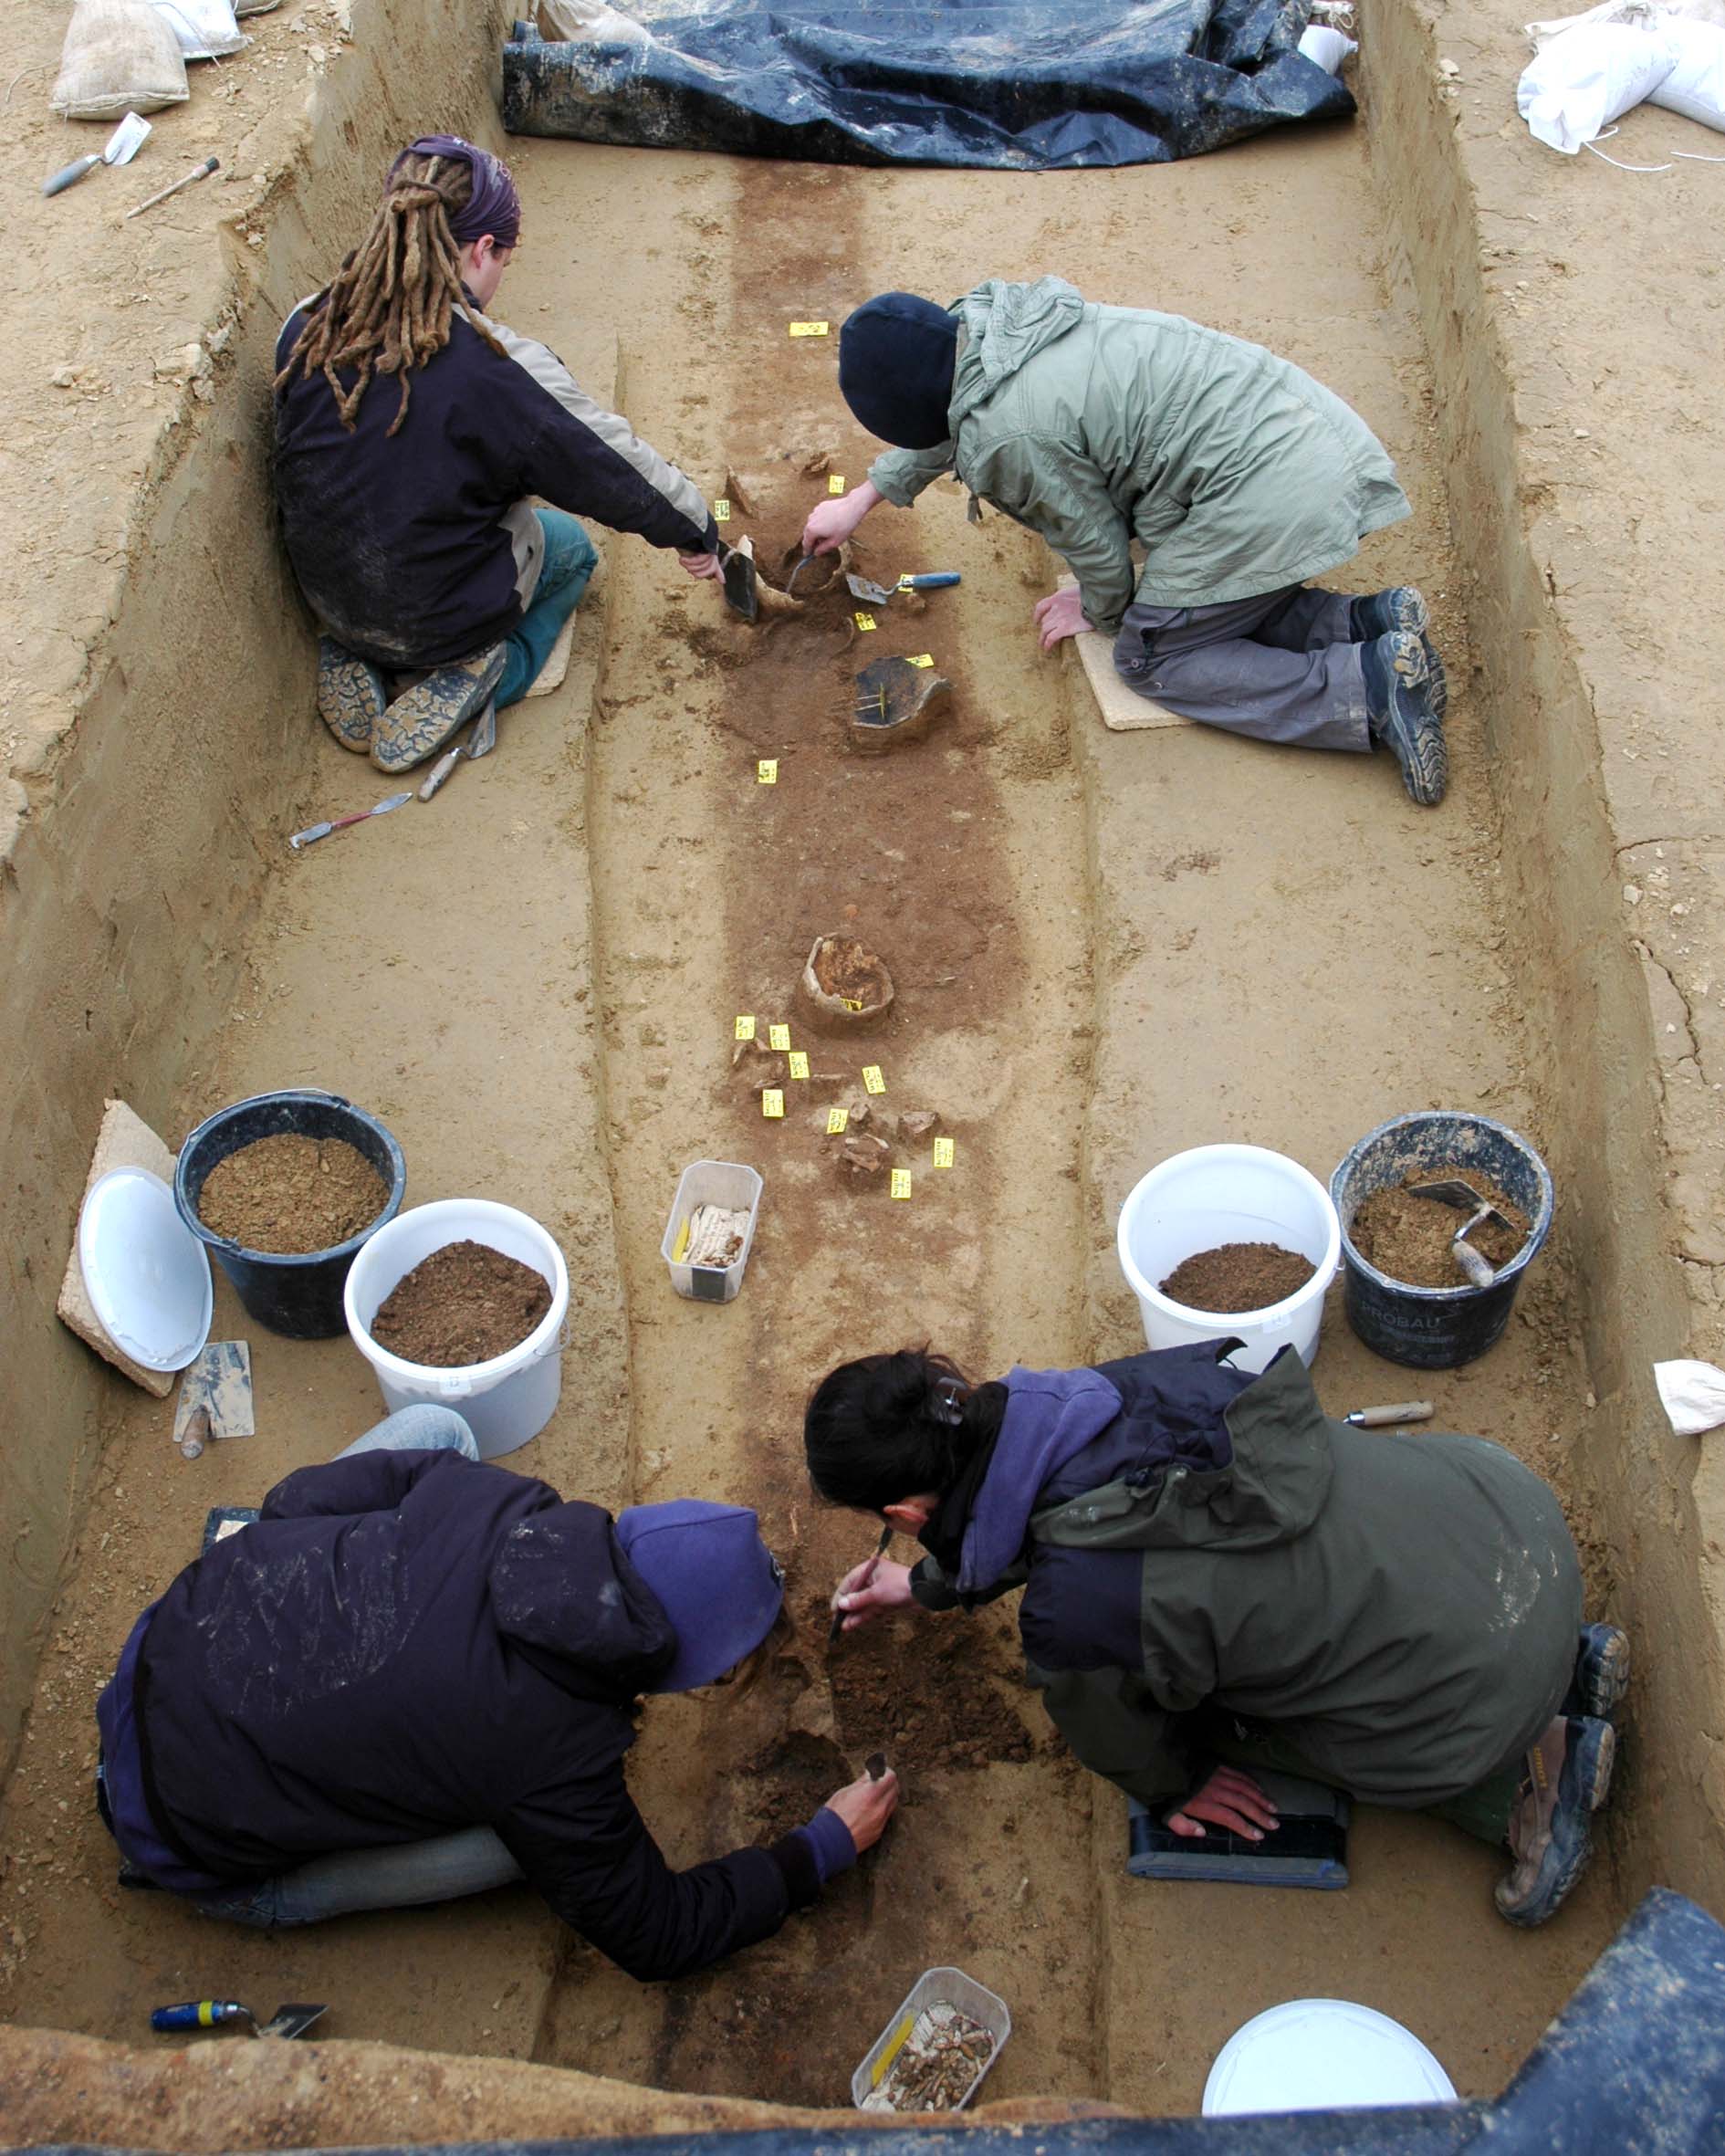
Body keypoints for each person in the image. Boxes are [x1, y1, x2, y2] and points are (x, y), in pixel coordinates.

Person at [805, 1340, 1629, 1928]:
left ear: (905, 1515)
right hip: (1514, 1538)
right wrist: (925, 1584)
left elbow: (1117, 1733)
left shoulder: (1072, 1618)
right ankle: (1573, 1655)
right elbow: (1054, 1507)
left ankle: (1531, 1778)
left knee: (1198, 1708)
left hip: (1477, 1701)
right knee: (1328, 1576)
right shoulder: (1087, 1397)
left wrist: (1182, 1781)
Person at [95, 1406, 897, 1981]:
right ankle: (229, 1884)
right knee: (513, 1847)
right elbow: (656, 1934)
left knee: (440, 1432)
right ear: (688, 1671)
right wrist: (818, 1848)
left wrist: (334, 1585)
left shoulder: (505, 1501)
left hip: (170, 1642)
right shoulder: (557, 1751)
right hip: (180, 1836)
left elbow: (292, 1503)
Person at [800, 278, 1449, 807]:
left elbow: (1096, 545)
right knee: (1194, 598)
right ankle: (1365, 621)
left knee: (1151, 655)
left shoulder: (1013, 438)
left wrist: (1102, 611)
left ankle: (1365, 686)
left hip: (1271, 492)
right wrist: (862, 499)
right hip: (1295, 430)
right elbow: (956, 413)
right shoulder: (989, 326)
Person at [274, 136, 725, 773]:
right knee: (569, 550)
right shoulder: (499, 370)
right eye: (504, 258)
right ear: (483, 249)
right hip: (442, 617)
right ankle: (488, 670)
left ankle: (359, 654)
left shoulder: (307, 323)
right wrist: (696, 527)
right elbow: (608, 467)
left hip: (334, 595)